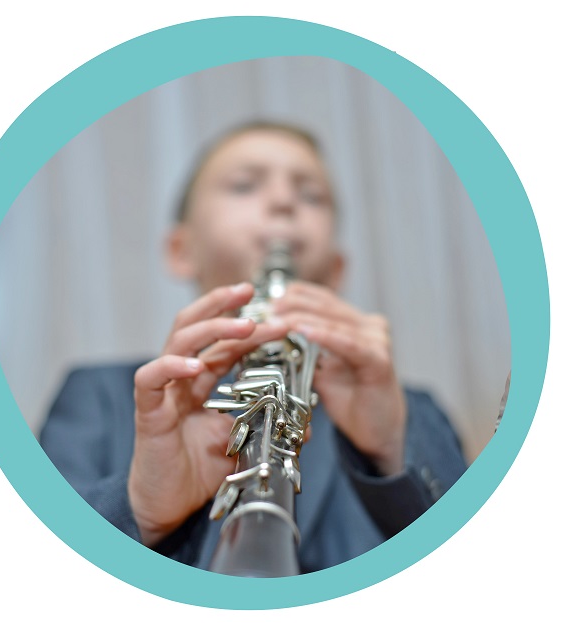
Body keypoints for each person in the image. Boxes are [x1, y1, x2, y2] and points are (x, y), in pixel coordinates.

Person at [40, 121, 467, 573]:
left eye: (311, 196)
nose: (284, 202)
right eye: (244, 185)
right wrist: (139, 508)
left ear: (337, 270)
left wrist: (391, 448)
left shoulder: (408, 413)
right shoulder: (97, 394)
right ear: (180, 250)